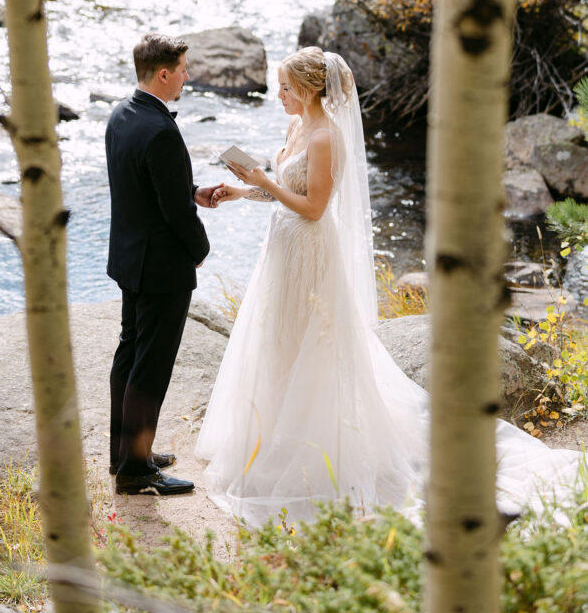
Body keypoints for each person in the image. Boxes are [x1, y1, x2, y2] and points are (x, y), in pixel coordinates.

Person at [196, 47, 583, 525]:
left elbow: (315, 207)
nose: (280, 96)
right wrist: (242, 189)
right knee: (279, 342)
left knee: (309, 345)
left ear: (311, 90)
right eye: (280, 87)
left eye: (287, 89)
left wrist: (264, 182)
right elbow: (284, 187)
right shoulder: (298, 126)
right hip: (282, 248)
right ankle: (270, 437)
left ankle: (314, 450)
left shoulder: (325, 136)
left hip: (310, 250)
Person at [106, 32, 222, 496]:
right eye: (183, 69)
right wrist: (199, 250)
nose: (187, 76)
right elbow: (176, 214)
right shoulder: (160, 130)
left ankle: (128, 453)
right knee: (150, 367)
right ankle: (136, 472)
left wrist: (192, 191)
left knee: (129, 355)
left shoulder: (121, 116)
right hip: (161, 269)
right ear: (163, 73)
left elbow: (148, 189)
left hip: (130, 259)